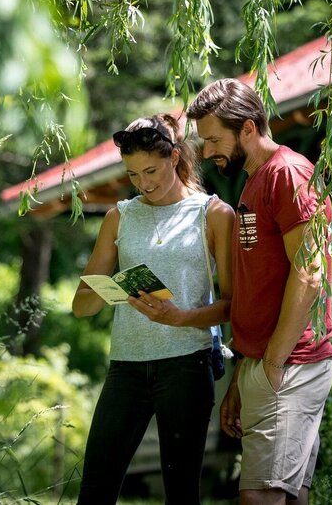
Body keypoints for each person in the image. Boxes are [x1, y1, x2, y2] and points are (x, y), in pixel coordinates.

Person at [72, 113, 235, 505]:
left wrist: (180, 317)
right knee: (95, 489)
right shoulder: (119, 216)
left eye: (151, 170)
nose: (144, 184)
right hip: (126, 366)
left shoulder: (212, 214)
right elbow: (81, 306)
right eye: (132, 175)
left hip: (187, 365)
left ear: (175, 157)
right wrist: (109, 291)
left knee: (181, 494)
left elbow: (233, 305)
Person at [186, 78, 332, 505]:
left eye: (215, 140)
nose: (209, 151)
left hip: (289, 363)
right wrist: (242, 375)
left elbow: (310, 273)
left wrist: (271, 364)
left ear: (248, 129)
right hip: (266, 363)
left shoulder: (287, 174)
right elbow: (259, 290)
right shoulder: (254, 180)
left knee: (259, 498)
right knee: (288, 498)